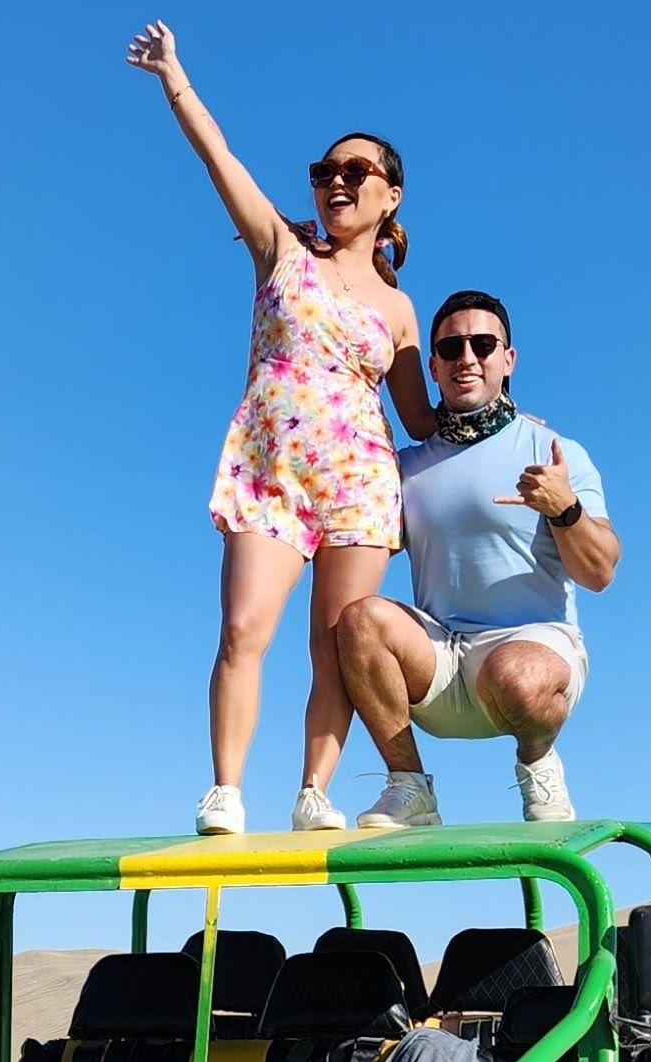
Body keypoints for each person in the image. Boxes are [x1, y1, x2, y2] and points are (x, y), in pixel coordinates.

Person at [126, 20, 436, 837]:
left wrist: (498, 434)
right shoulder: (279, 250)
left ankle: (314, 791)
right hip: (274, 472)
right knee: (242, 628)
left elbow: (418, 419)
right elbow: (218, 157)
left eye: (355, 171)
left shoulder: (400, 310)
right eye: (324, 171)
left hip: (361, 484)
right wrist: (174, 80)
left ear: (389, 194)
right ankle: (226, 790)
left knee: (336, 645)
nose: (336, 182)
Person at [338, 290, 620, 826]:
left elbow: (601, 571)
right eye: (451, 347)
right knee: (358, 619)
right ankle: (409, 785)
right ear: (434, 366)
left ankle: (538, 764)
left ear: (507, 360)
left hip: (528, 650)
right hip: (440, 656)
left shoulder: (553, 451)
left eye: (483, 344)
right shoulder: (404, 466)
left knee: (515, 674)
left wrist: (565, 510)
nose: (467, 357)